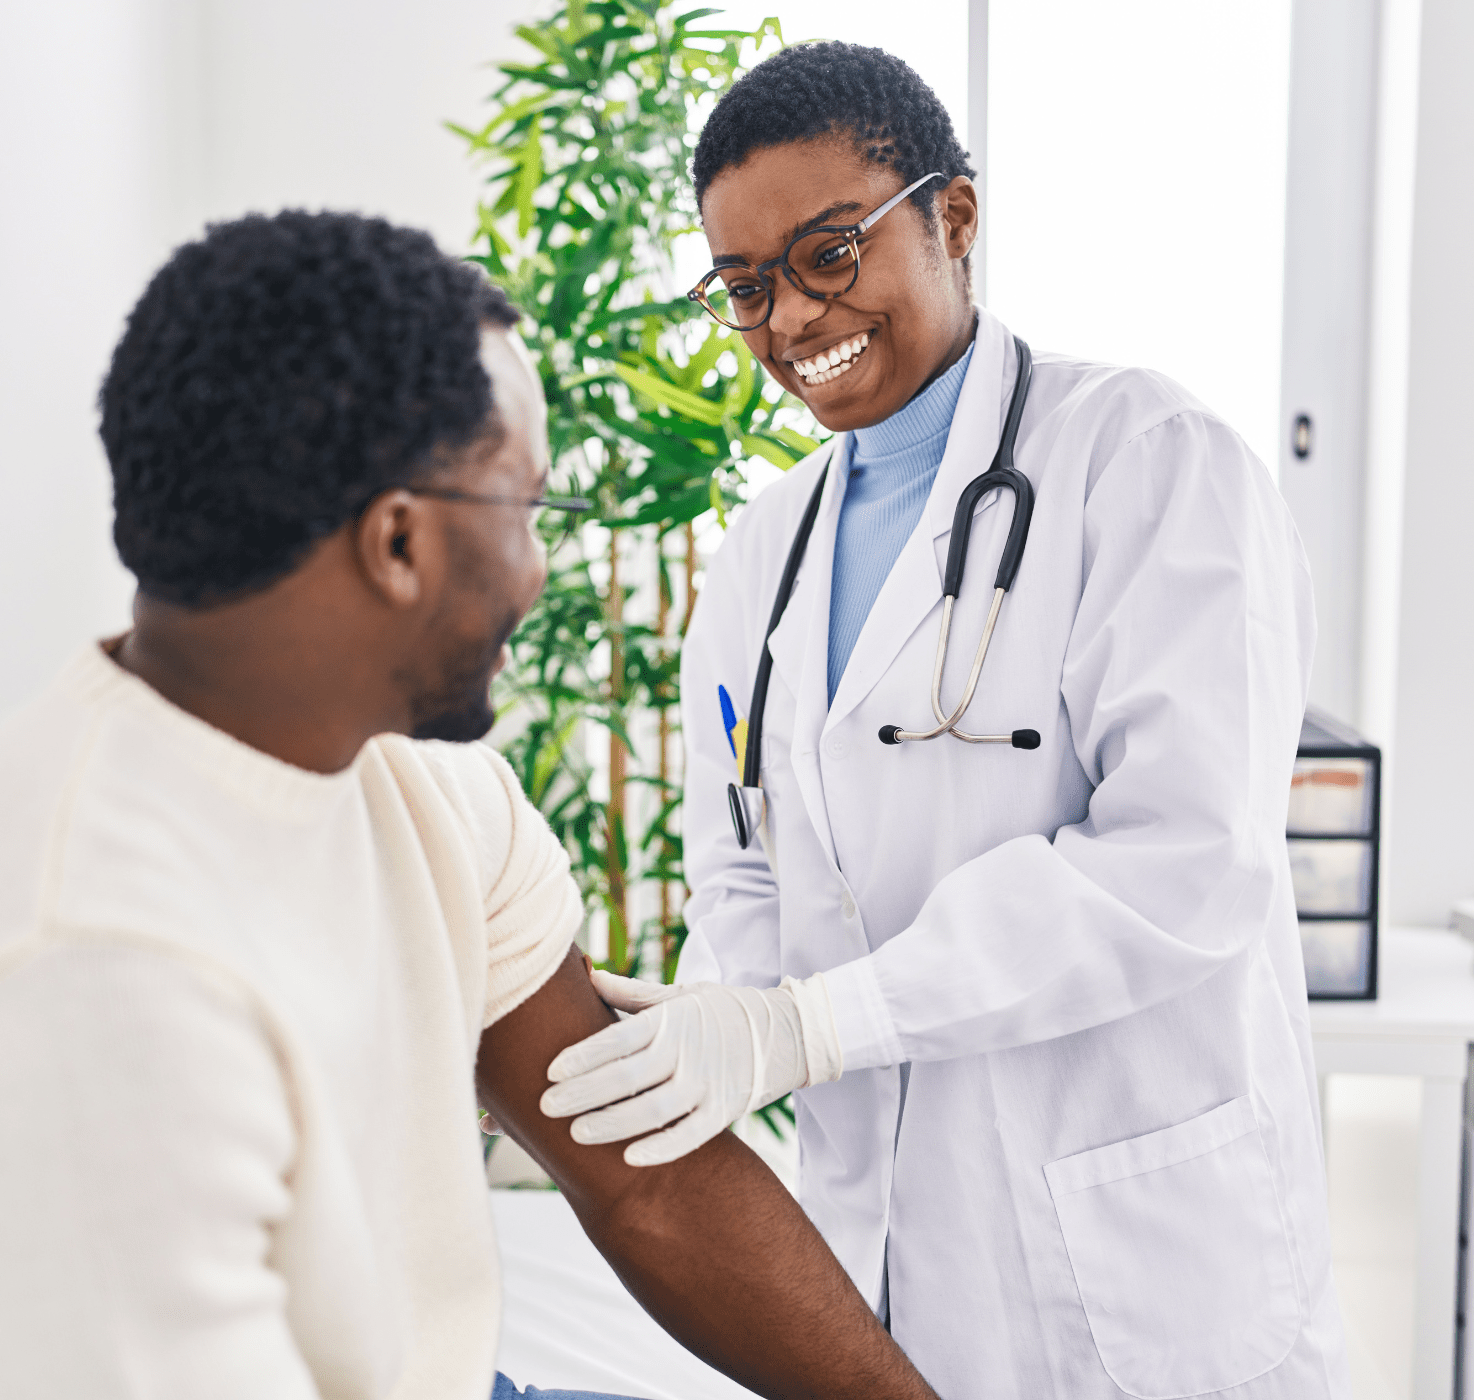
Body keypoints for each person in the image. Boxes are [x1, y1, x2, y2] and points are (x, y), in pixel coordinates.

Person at [0, 211, 938, 1398]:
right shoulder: (83, 979)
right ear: (397, 544)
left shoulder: (425, 792)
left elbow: (644, 1176)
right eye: (527, 510)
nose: (540, 567)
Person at [535, 42, 1349, 1399]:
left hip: (1143, 1257)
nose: (790, 319)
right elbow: (744, 859)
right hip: (886, 1255)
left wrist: (822, 1024)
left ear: (952, 218)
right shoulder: (764, 555)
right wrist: (727, 1017)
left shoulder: (1149, 463)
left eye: (828, 253)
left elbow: (1182, 864)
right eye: (744, 287)